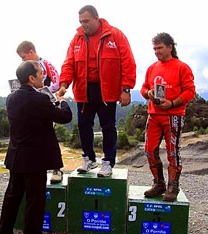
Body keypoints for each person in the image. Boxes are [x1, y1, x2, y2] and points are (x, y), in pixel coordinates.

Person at [57, 5, 136, 177]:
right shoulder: (77, 38)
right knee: (84, 126)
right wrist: (64, 84)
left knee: (108, 127)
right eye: (80, 22)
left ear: (96, 18)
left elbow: (128, 63)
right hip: (83, 90)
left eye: (86, 21)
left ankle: (107, 162)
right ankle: (89, 159)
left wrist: (126, 89)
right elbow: (68, 63)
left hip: (107, 90)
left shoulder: (115, 35)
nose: (83, 25)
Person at [0, 60, 72, 233]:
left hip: (16, 158)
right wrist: (62, 101)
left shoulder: (11, 98)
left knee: (12, 198)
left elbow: (37, 113)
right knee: (35, 202)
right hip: (35, 161)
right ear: (32, 78)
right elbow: (64, 117)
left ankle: (3, 230)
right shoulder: (39, 99)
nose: (43, 76)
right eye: (40, 73)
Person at [140, 32, 195, 202]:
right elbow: (143, 89)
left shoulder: (182, 67)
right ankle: (159, 183)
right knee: (149, 150)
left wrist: (172, 103)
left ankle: (173, 186)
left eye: (160, 48)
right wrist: (149, 93)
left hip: (174, 116)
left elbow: (190, 91)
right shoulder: (151, 68)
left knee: (173, 151)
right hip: (154, 115)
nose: (156, 51)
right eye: (154, 48)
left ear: (170, 47)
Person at [16, 40, 63, 183]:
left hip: (45, 104)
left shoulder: (47, 65)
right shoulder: (25, 67)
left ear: (31, 52)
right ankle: (32, 165)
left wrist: (43, 90)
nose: (22, 60)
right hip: (29, 104)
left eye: (23, 57)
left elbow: (57, 82)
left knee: (49, 135)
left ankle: (57, 168)